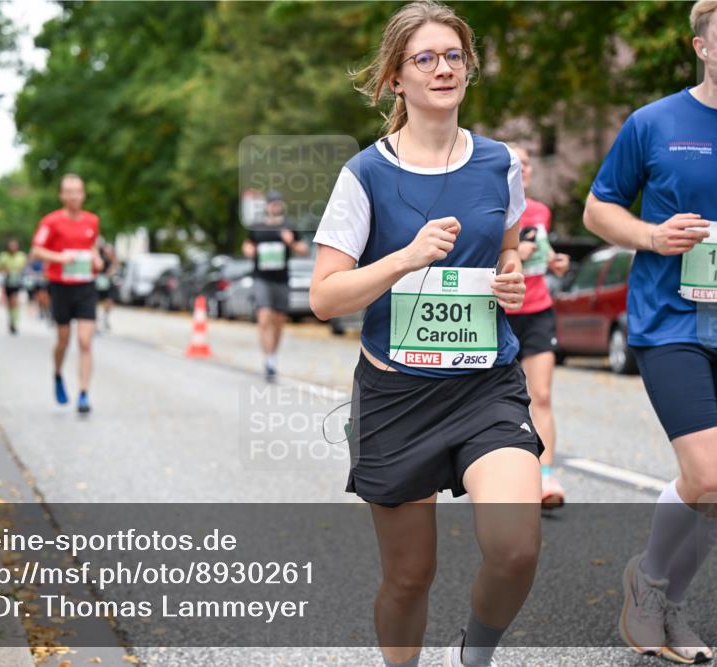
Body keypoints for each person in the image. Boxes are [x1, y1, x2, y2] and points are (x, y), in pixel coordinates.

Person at [309, 3, 542, 666]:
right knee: (410, 577)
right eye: (426, 58)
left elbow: (506, 246)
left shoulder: (499, 163)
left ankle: (474, 653)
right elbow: (324, 297)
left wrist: (510, 273)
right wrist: (405, 258)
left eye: (454, 56)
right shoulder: (365, 175)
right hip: (397, 394)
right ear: (395, 79)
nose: (444, 68)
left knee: (516, 548)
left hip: (485, 385)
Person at [583, 1, 717, 661]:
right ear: (701, 47)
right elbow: (597, 209)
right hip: (670, 322)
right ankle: (650, 580)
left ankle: (674, 608)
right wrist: (653, 236)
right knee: (708, 473)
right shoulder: (653, 123)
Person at [504, 145, 571, 509]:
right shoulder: (490, 208)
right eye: (516, 164)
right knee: (497, 400)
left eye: (528, 163)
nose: (524, 169)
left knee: (541, 395)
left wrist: (554, 262)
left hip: (538, 310)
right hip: (499, 313)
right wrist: (513, 254)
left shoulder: (541, 211)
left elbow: (540, 256)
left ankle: (544, 478)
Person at [30, 173, 104, 414]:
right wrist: (60, 258)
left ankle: (83, 394)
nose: (74, 196)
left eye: (78, 191)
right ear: (62, 195)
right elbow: (36, 251)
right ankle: (58, 373)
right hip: (60, 286)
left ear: (83, 194)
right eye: (69, 192)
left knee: (85, 341)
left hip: (85, 286)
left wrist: (97, 259)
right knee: (64, 340)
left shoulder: (92, 221)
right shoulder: (50, 222)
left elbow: (92, 246)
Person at [242, 191, 309, 381]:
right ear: (266, 206)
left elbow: (304, 250)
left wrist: (291, 243)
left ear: (281, 205)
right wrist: (248, 250)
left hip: (281, 279)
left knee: (279, 320)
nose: (274, 206)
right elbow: (247, 244)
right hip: (262, 278)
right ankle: (269, 361)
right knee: (264, 317)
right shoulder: (258, 227)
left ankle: (273, 355)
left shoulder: (289, 226)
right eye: (271, 203)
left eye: (277, 203)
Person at [0, 238, 28, 335]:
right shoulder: (3, 256)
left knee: (15, 301)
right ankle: (11, 320)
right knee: (10, 303)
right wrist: (5, 271)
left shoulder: (21, 256)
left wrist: (20, 271)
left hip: (17, 282)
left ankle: (14, 322)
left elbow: (25, 268)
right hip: (7, 282)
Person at [94, 236, 118, 332]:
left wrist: (111, 271)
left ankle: (105, 318)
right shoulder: (95, 253)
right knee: (94, 301)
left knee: (109, 300)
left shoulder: (108, 255)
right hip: (97, 279)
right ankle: (95, 321)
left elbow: (114, 265)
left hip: (107, 280)